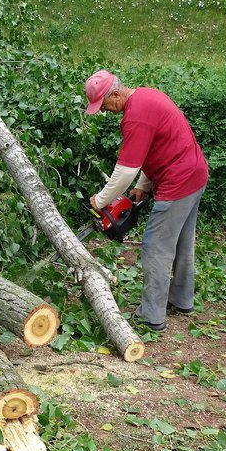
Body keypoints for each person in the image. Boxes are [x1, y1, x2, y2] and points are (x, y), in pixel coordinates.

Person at [83, 69, 209, 332]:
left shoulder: (135, 117)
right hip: (195, 173)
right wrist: (143, 185)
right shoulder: (146, 97)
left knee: (155, 246)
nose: (105, 111)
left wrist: (101, 200)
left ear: (116, 94)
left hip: (178, 181)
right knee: (183, 242)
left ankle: (152, 315)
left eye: (104, 105)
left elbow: (126, 170)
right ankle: (181, 300)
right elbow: (156, 148)